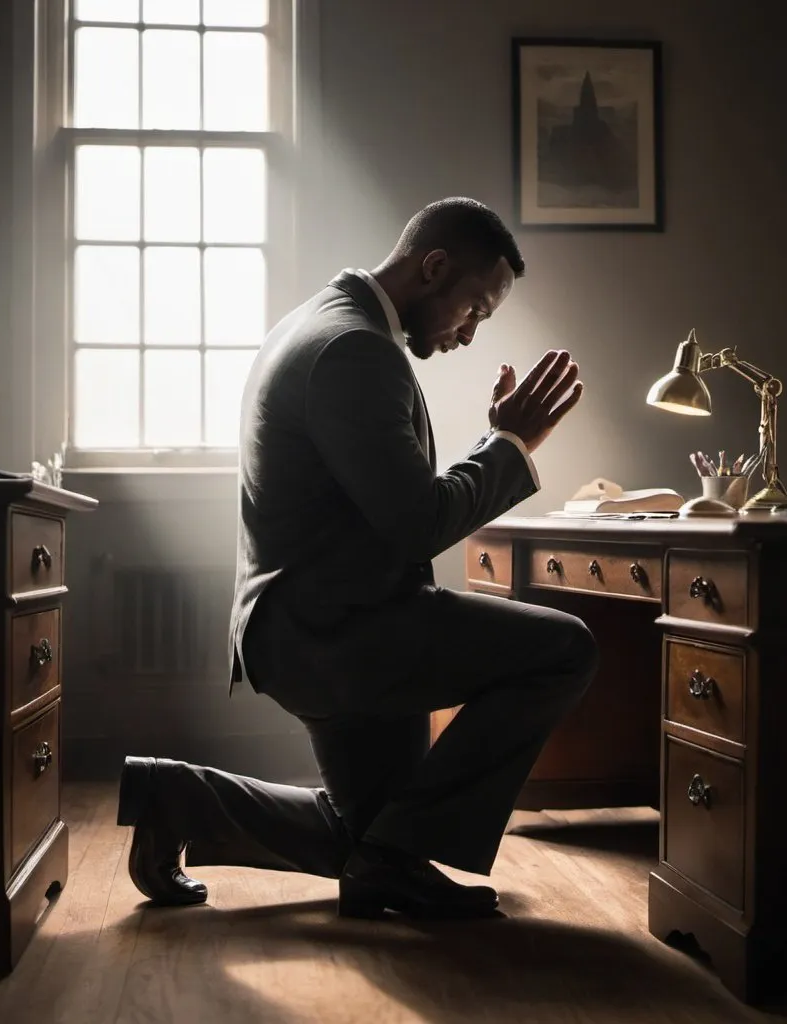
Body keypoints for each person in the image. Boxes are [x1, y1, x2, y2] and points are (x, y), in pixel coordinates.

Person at [116, 197, 599, 919]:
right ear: (434, 267)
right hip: (339, 631)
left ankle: (173, 798)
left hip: (315, 621)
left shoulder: (324, 322)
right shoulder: (356, 349)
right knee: (565, 648)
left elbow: (394, 499)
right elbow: (417, 523)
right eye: (474, 309)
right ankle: (393, 853)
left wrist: (494, 443)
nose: (470, 333)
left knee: (373, 842)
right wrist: (511, 447)